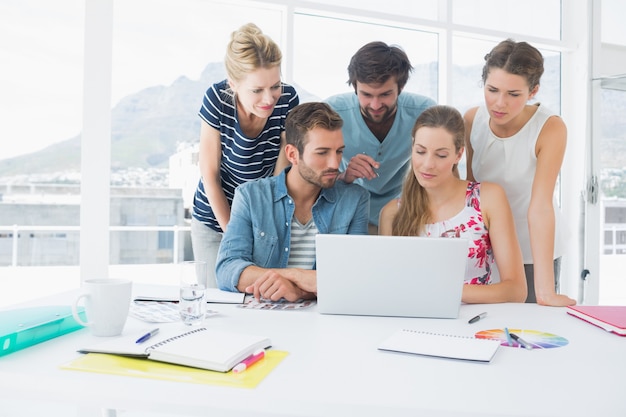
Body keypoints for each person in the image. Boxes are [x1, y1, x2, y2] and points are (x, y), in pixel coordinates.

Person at [215, 102, 370, 301]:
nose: (334, 163)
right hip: (261, 319)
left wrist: (298, 291)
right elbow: (227, 269)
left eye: (339, 151)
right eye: (322, 153)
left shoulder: (355, 200)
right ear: (292, 154)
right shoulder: (250, 196)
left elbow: (355, 277)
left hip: (323, 319)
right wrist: (292, 277)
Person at [464, 39, 576, 306]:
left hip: (532, 249)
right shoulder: (471, 119)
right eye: (492, 90)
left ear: (533, 91)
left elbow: (540, 207)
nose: (499, 103)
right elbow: (471, 193)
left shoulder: (549, 128)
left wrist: (545, 291)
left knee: (531, 330)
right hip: (487, 248)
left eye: (513, 94)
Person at [379, 105, 527, 304]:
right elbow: (386, 288)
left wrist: (444, 289)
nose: (428, 164)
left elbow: (516, 290)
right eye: (421, 151)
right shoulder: (392, 213)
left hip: (476, 321)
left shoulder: (488, 198)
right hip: (414, 321)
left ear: (458, 155)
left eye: (441, 155)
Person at [191, 23, 299, 287]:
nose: (269, 98)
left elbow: (279, 177)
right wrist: (234, 234)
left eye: (275, 86)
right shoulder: (217, 99)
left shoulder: (288, 101)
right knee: (216, 302)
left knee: (257, 302)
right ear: (233, 84)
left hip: (260, 218)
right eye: (257, 90)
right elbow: (210, 173)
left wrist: (262, 230)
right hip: (215, 219)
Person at [325, 41, 436, 235]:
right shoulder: (331, 112)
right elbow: (310, 175)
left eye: (385, 94)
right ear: (354, 88)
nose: (375, 105)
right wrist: (344, 177)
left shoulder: (425, 112)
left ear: (400, 87)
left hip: (402, 214)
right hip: (346, 214)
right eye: (366, 95)